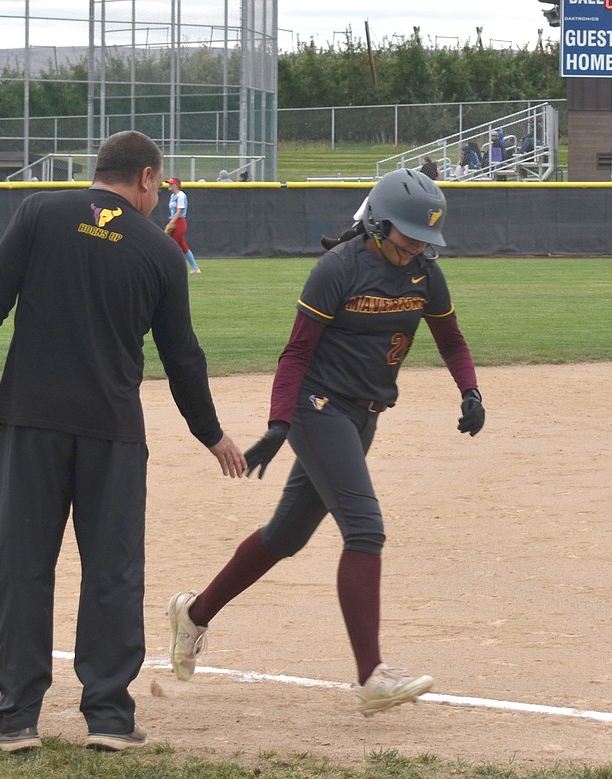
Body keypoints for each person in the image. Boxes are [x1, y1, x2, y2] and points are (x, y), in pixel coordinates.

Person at [0, 130, 246, 754]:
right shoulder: (159, 250)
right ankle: (108, 717)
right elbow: (183, 356)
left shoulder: (40, 212)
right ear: (148, 179)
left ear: (100, 171)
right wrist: (211, 433)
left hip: (30, 421)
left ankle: (17, 718)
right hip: (113, 433)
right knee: (113, 573)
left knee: (22, 568)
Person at [166, 168, 486, 718]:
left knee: (284, 536)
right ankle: (372, 677)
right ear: (380, 224)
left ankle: (194, 614)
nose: (417, 248)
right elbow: (295, 353)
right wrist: (278, 424)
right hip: (318, 411)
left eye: (426, 240)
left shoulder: (424, 275)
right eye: (410, 236)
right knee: (365, 528)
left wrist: (470, 390)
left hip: (363, 417)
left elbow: (451, 339)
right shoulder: (338, 269)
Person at [165, 177, 200, 273]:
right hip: (174, 221)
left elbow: (179, 211)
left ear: (177, 185)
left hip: (179, 223)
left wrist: (171, 222)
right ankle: (195, 268)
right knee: (183, 246)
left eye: (171, 184)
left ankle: (171, 268)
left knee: (171, 246)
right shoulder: (173, 196)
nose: (169, 185)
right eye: (169, 183)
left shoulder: (181, 195)